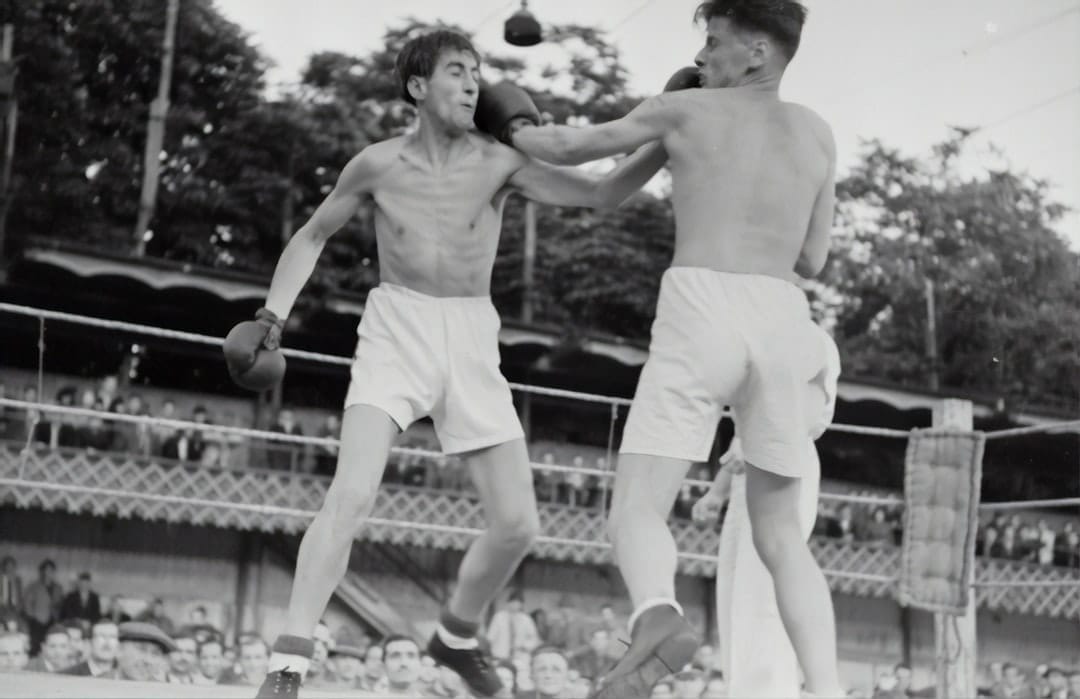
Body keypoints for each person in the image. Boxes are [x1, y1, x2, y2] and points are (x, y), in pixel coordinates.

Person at [225, 28, 669, 699]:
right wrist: (271, 316)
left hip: (470, 336)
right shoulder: (376, 164)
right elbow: (313, 235)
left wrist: (666, 131)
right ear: (417, 86)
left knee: (519, 524)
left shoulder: (500, 161)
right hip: (395, 330)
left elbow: (602, 195)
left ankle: (456, 634)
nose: (472, 83)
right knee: (352, 494)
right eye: (457, 71)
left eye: (476, 72)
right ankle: (288, 661)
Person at [511, 1, 842, 695]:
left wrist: (505, 119)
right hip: (786, 318)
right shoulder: (818, 133)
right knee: (782, 538)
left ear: (757, 51)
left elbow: (566, 150)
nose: (701, 57)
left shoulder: (683, 109)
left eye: (714, 43)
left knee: (636, 509)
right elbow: (813, 258)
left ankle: (658, 613)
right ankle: (828, 687)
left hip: (704, 305)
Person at [694, 325, 840, 698]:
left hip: (785, 461)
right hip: (750, 469)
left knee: (764, 591)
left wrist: (760, 441)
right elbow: (743, 432)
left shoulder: (807, 338)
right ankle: (742, 688)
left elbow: (805, 414)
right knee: (736, 591)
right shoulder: (752, 339)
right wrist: (716, 492)